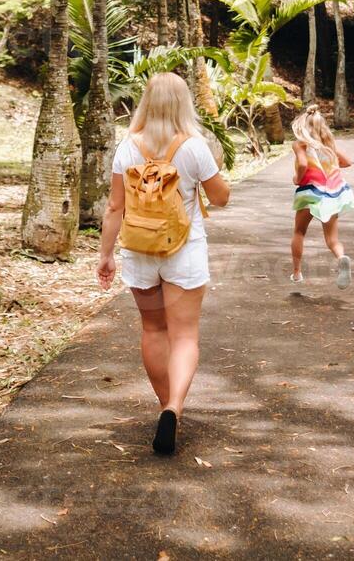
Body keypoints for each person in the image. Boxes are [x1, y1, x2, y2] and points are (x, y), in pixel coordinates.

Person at [97, 72, 230, 456]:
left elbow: (114, 207)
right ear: (183, 103)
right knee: (184, 335)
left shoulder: (127, 147)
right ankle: (174, 407)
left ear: (147, 102)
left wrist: (106, 255)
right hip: (183, 252)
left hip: (139, 252)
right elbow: (220, 198)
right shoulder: (193, 146)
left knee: (154, 330)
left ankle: (164, 407)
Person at [289, 104, 354, 287]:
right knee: (332, 240)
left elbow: (303, 165)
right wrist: (329, 164)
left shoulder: (300, 144)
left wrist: (297, 178)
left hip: (310, 193)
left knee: (299, 231)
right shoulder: (328, 145)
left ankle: (297, 273)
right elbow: (347, 162)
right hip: (332, 195)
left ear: (302, 126)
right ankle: (341, 257)